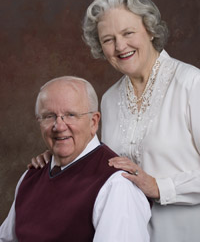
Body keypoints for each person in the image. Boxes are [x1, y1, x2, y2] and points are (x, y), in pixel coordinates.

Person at [30, 0, 200, 242]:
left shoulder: (192, 84)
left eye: (128, 33)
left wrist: (158, 187)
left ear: (151, 30)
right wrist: (59, 154)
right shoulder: (108, 100)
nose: (120, 46)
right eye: (108, 39)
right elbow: (98, 164)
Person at [0, 76, 151, 242]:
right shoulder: (30, 177)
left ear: (93, 122)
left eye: (70, 115)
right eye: (49, 116)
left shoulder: (116, 185)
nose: (59, 126)